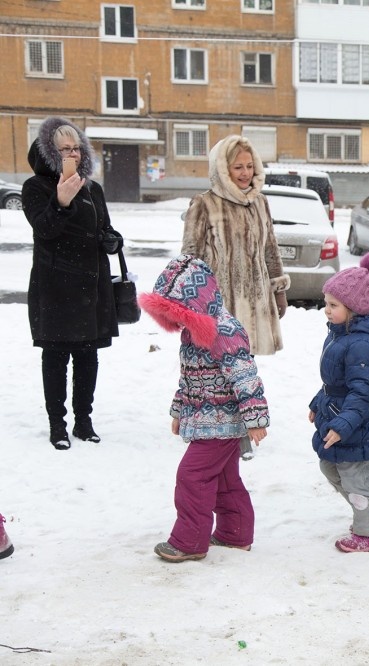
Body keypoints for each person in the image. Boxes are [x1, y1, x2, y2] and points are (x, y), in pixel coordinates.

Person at [139, 255, 269, 563]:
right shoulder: (191, 332)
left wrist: (255, 418)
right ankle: (234, 533)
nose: (179, 319)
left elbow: (244, 376)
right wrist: (178, 411)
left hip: (224, 421)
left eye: (181, 311)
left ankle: (190, 541)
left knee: (192, 476)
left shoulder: (225, 331)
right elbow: (190, 379)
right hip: (205, 421)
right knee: (224, 478)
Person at [182, 134, 289, 460]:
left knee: (244, 368)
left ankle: (243, 429)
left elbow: (270, 249)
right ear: (222, 168)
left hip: (254, 300)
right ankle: (212, 426)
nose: (244, 172)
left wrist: (278, 290)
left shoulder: (260, 202)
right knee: (219, 369)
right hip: (219, 303)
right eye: (237, 167)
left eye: (249, 165)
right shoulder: (204, 204)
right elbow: (189, 258)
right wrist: (193, 303)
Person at [22, 116, 124, 450]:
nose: (73, 155)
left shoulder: (93, 189)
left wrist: (113, 240)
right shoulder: (36, 187)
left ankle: (84, 421)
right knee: (55, 358)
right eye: (64, 149)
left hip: (90, 290)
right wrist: (61, 202)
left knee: (88, 358)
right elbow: (44, 230)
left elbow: (105, 229)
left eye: (76, 148)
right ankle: (57, 426)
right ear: (50, 152)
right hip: (55, 289)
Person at [309, 253, 369, 554]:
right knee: (330, 466)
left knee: (351, 473)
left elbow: (360, 392)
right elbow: (333, 382)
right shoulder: (340, 334)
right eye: (327, 303)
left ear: (354, 308)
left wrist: (342, 425)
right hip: (337, 412)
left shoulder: (361, 344)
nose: (327, 310)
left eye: (334, 306)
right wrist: (317, 401)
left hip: (355, 421)